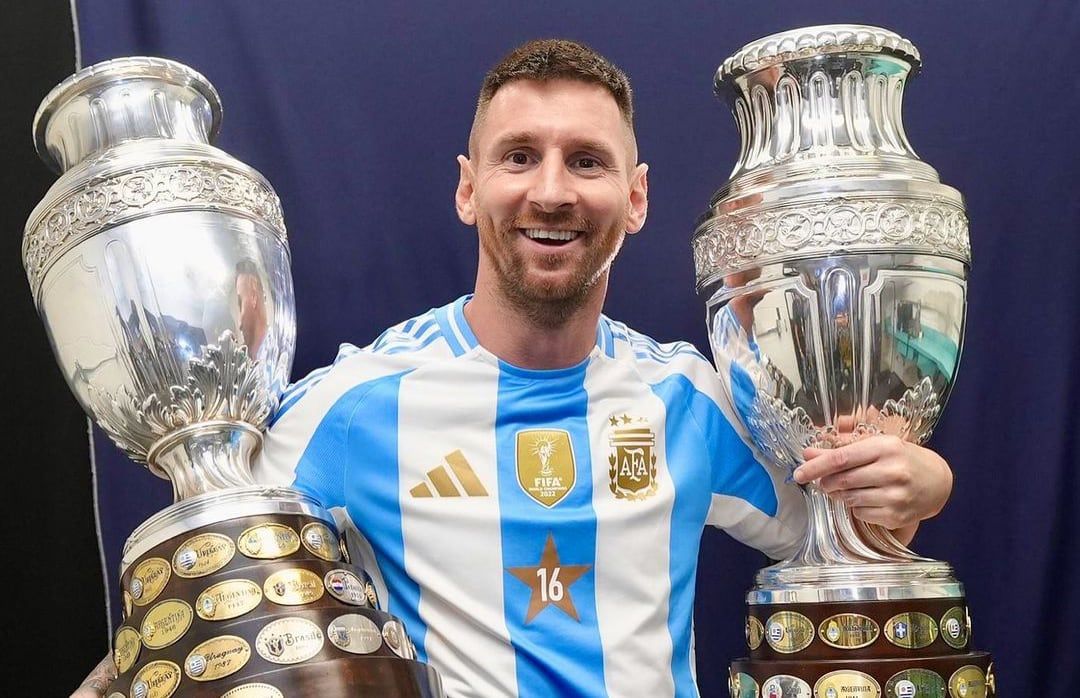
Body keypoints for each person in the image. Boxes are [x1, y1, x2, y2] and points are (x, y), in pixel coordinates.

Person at [74, 39, 953, 698]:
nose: (552, 191)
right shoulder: (355, 406)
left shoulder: (688, 399)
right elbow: (207, 581)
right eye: (519, 156)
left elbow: (837, 541)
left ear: (636, 198)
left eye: (587, 161)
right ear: (468, 188)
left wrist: (920, 484)